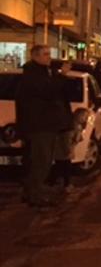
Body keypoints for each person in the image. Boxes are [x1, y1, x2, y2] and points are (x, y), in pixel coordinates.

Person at [15, 45, 74, 206]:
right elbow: (48, 91)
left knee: (43, 160)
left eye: (49, 54)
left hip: (47, 124)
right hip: (40, 125)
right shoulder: (33, 74)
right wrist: (62, 75)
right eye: (45, 54)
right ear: (35, 56)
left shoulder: (44, 72)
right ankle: (35, 195)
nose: (49, 57)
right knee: (41, 161)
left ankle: (34, 191)